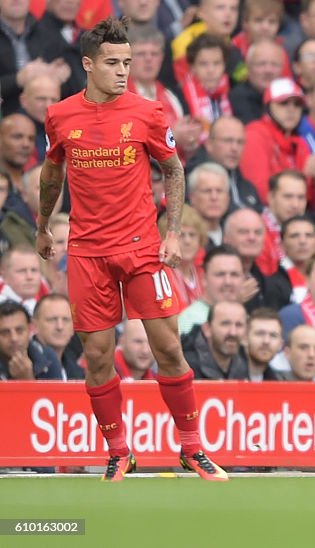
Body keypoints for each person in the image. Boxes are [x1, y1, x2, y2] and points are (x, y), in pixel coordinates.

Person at [35, 17, 228, 482]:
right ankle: (119, 451)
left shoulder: (148, 111)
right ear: (88, 64)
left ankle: (191, 447)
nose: (124, 70)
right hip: (86, 251)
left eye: (127, 62)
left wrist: (175, 230)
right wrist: (43, 225)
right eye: (113, 62)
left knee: (167, 347)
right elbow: (51, 174)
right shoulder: (60, 115)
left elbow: (174, 170)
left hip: (143, 248)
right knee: (99, 356)